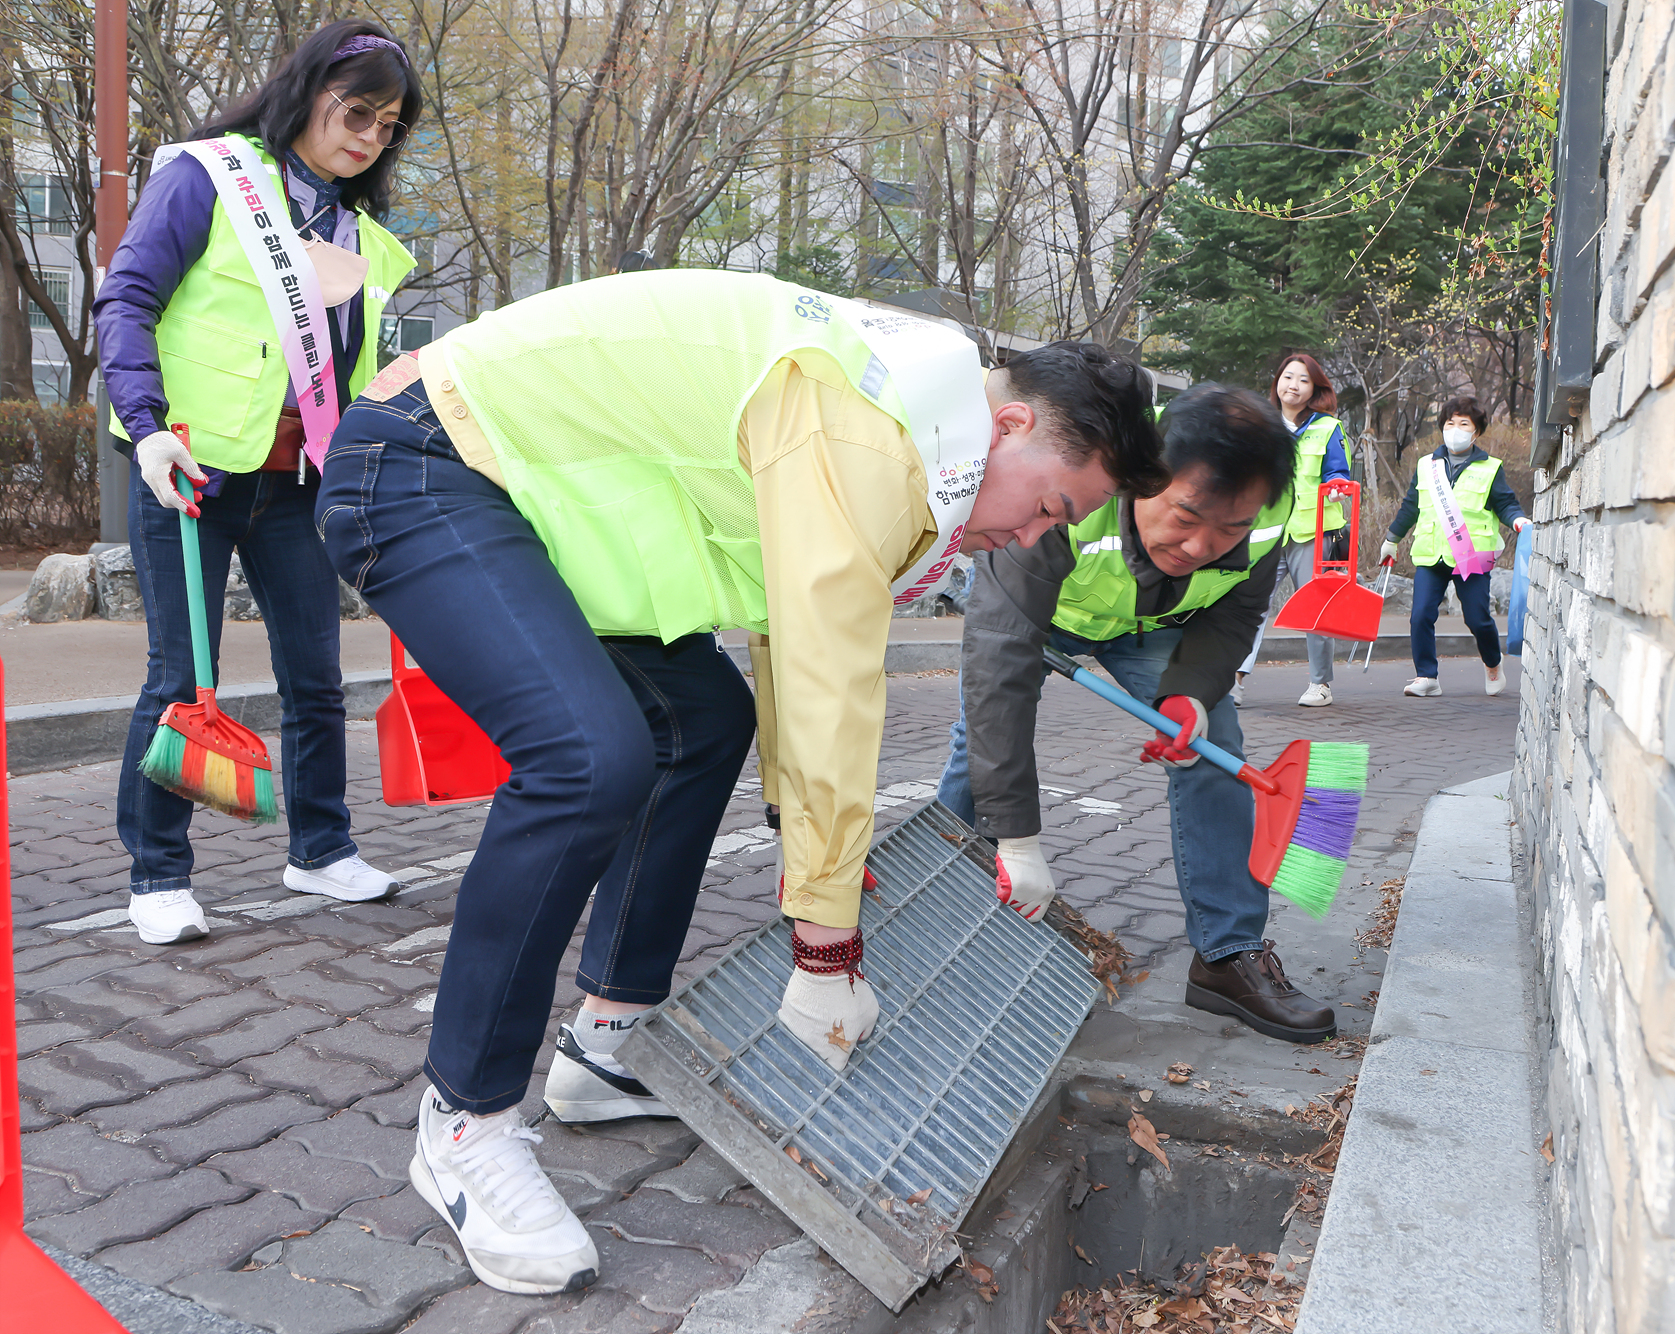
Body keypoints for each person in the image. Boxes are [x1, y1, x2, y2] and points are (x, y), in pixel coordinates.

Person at [315, 269, 1166, 1296]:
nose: (1033, 537)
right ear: (1015, 423)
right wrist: (825, 931)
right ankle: (464, 1122)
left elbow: (783, 624)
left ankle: (609, 1041)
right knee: (590, 758)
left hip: (516, 486)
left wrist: (815, 859)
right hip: (418, 461)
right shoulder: (872, 428)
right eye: (1050, 506)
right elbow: (825, 670)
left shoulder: (911, 409)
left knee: (703, 717)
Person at [95, 20, 422, 945]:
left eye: (387, 124)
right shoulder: (210, 178)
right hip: (188, 470)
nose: (367, 135)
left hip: (298, 483)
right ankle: (157, 873)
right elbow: (127, 298)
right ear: (307, 92)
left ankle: (319, 849)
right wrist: (149, 430)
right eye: (354, 111)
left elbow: (352, 381)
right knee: (181, 675)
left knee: (316, 678)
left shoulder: (358, 234)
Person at [936, 383, 1341, 1044]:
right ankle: (922, 931)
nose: (1201, 545)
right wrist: (1017, 836)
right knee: (979, 752)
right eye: (1185, 516)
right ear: (1139, 475)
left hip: (1157, 621)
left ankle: (1226, 957)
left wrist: (1188, 692)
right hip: (1041, 610)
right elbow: (1000, 671)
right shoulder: (1068, 483)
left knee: (1218, 750)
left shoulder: (1269, 506)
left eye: (1229, 527)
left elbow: (1235, 612)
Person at [1379, 396, 1529, 697]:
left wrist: (1518, 521)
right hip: (1431, 552)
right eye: (1450, 423)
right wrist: (1391, 539)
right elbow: (1411, 506)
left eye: (1464, 424)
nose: (1456, 429)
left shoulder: (1490, 468)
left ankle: (1492, 662)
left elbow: (1505, 504)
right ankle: (1426, 676)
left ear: (1475, 432)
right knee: (1420, 614)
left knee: (1477, 617)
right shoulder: (1426, 466)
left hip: (1470, 556)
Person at [1235, 354, 1350, 707]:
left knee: (1317, 609)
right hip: (1267, 530)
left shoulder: (1328, 427)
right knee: (1249, 605)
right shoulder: (1261, 426)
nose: (1293, 385)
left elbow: (1338, 471)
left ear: (1315, 388)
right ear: (1277, 383)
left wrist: (1337, 484)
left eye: (1303, 380)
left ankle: (1321, 684)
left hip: (1314, 531)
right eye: (1288, 377)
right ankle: (1234, 679)